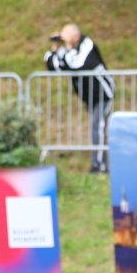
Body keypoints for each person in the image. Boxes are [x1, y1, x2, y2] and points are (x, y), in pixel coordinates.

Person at [45, 23, 114, 172]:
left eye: (66, 36)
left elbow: (77, 64)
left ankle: (100, 166)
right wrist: (55, 48)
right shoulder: (68, 50)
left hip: (103, 94)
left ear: (75, 36)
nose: (64, 40)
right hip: (89, 97)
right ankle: (99, 163)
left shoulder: (87, 44)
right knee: (96, 128)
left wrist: (65, 51)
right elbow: (53, 66)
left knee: (98, 128)